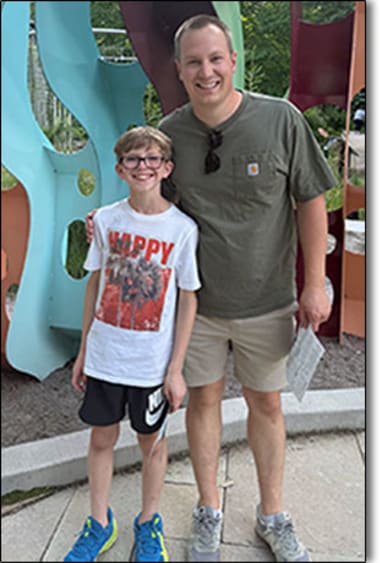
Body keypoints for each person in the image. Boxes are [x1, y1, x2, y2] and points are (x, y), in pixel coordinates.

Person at [159, 14, 336, 562]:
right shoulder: (170, 134)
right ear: (180, 69)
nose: (206, 71)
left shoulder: (280, 120)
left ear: (233, 61)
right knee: (204, 400)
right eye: (194, 61)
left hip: (269, 301)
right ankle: (208, 509)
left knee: (267, 404)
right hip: (200, 306)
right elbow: (152, 209)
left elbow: (311, 201)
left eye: (215, 58)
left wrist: (316, 283)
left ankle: (272, 514)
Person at [65, 127, 200, 562]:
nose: (143, 166)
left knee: (152, 444)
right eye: (134, 160)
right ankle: (100, 522)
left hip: (150, 366)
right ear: (120, 169)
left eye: (152, 158)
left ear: (167, 168)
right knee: (101, 439)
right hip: (106, 357)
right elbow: (94, 285)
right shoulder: (104, 220)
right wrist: (84, 349)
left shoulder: (182, 229)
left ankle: (148, 522)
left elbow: (187, 298)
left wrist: (175, 369)